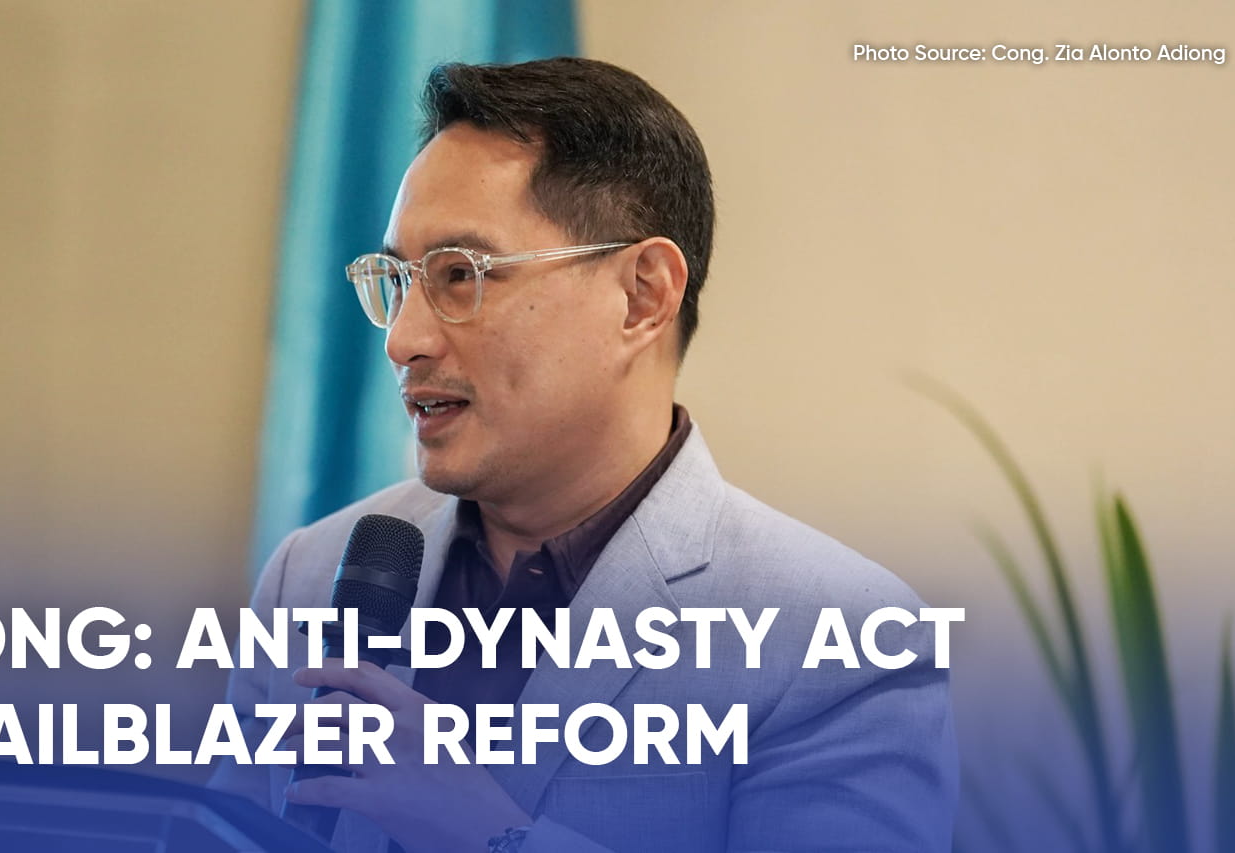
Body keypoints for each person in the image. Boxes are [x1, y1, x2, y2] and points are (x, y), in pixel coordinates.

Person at [213, 57, 957, 853]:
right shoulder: (309, 572)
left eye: (460, 275)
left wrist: (487, 832)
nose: (404, 339)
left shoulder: (836, 639)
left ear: (643, 295)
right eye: (398, 280)